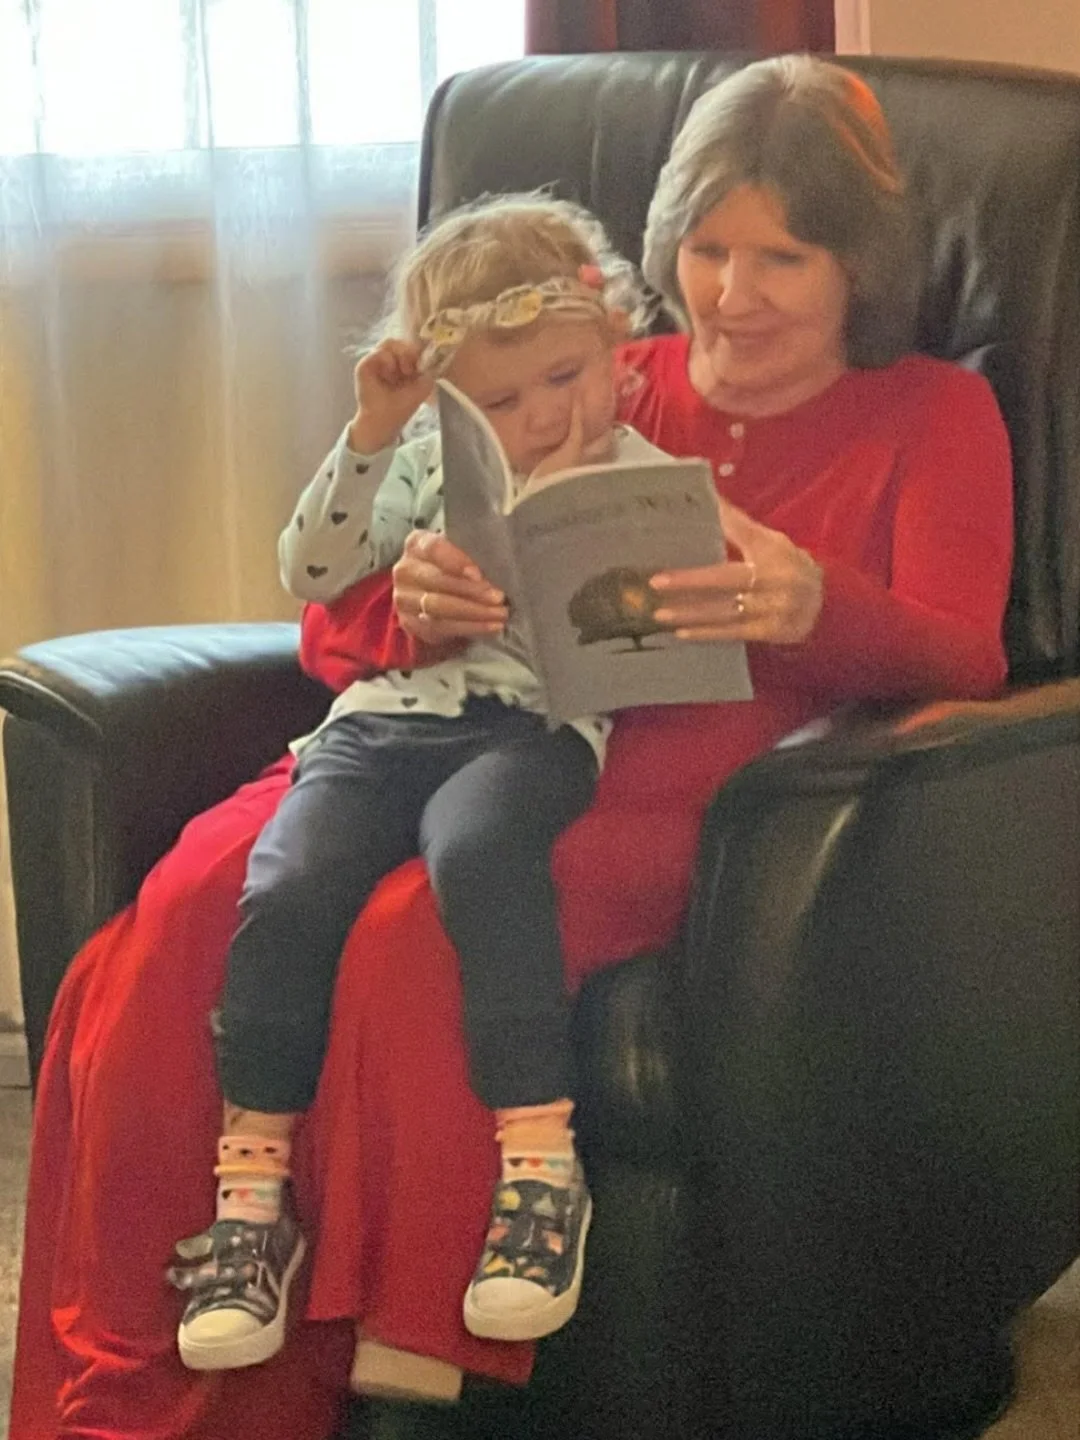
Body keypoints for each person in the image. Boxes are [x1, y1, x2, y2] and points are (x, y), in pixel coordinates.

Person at [10, 54, 1014, 1440]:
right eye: (708, 248)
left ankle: (390, 1378)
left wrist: (819, 605)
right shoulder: (582, 371)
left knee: (422, 931)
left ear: (858, 263)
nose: (731, 291)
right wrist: (413, 596)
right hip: (434, 727)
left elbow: (970, 654)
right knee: (189, 909)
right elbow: (340, 611)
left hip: (706, 798)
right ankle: (141, 1379)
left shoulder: (931, 414)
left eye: (780, 254)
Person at [169, 194, 667, 1373]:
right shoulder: (425, 457)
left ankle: (541, 1170)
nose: (543, 415)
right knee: (288, 883)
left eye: (565, 376)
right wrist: (374, 433)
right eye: (501, 400)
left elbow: (664, 652)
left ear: (611, 348)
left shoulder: (646, 477)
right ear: (452, 397)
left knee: (483, 856)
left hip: (534, 729)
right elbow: (312, 566)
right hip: (390, 721)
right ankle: (251, 1210)